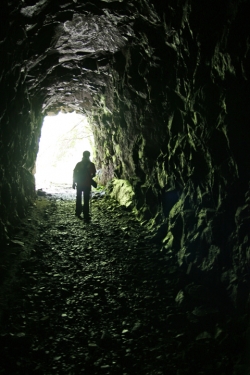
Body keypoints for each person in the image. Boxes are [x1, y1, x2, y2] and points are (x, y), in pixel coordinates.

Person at [72, 151, 96, 220]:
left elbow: (74, 174)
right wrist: (89, 176)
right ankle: (86, 214)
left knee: (78, 198)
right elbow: (94, 174)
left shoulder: (79, 164)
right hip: (87, 184)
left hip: (79, 184)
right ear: (89, 155)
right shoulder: (91, 165)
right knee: (86, 199)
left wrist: (73, 183)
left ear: (83, 155)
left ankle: (78, 212)